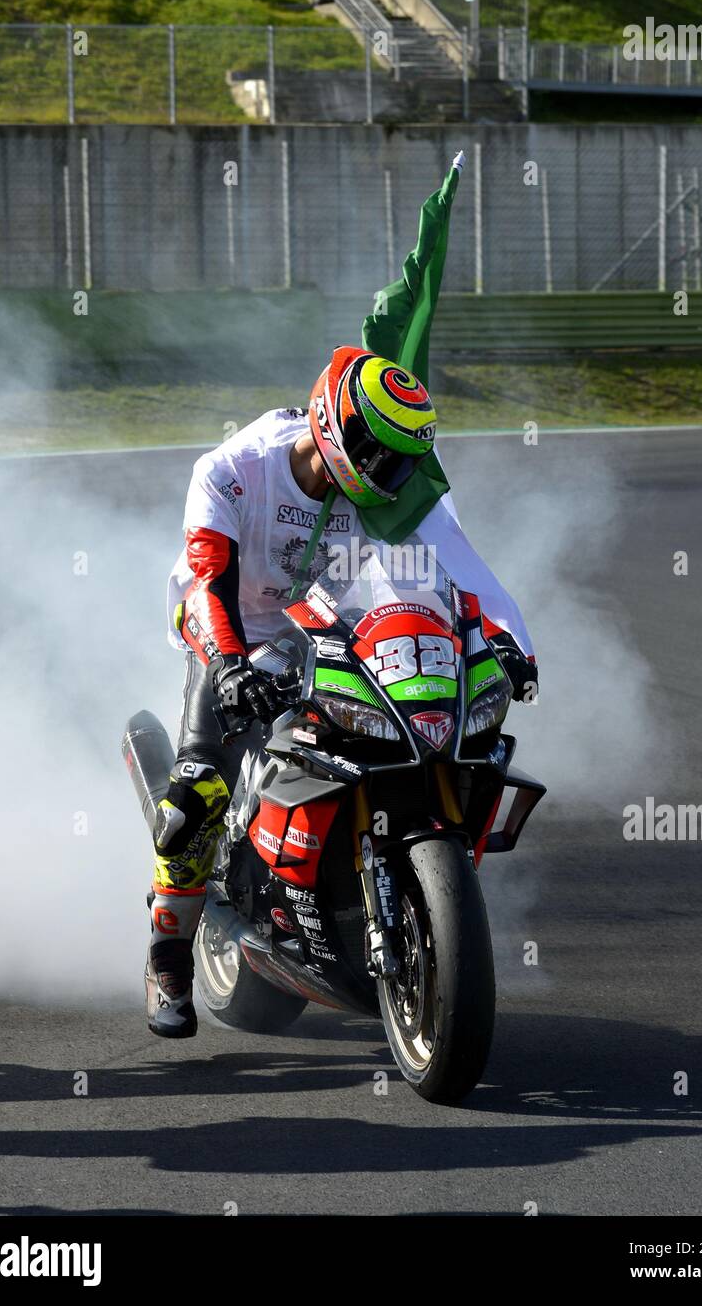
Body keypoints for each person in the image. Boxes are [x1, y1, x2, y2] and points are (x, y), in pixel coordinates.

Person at [146, 345, 537, 1037]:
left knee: (429, 733)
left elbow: (466, 571)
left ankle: (367, 871)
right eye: (374, 452)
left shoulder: (394, 486)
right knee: (194, 793)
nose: (386, 474)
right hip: (233, 627)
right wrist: (232, 664)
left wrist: (512, 645)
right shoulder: (234, 471)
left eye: (399, 461)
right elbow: (208, 581)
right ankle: (168, 956)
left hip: (333, 630)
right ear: (330, 422)